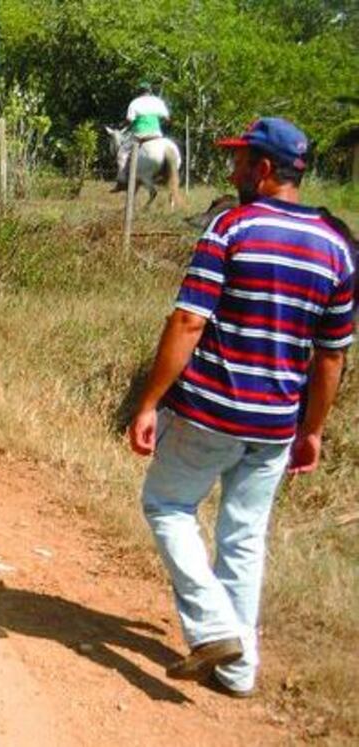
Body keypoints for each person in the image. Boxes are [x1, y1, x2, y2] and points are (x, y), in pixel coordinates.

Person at [128, 117, 354, 698]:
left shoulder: (233, 227)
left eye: (239, 162)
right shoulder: (337, 248)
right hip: (276, 424)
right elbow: (331, 358)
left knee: (167, 504)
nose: (232, 171)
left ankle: (215, 630)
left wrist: (149, 401)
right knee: (244, 537)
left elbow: (188, 320)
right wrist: (313, 430)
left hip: (212, 412)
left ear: (264, 170)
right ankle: (237, 668)